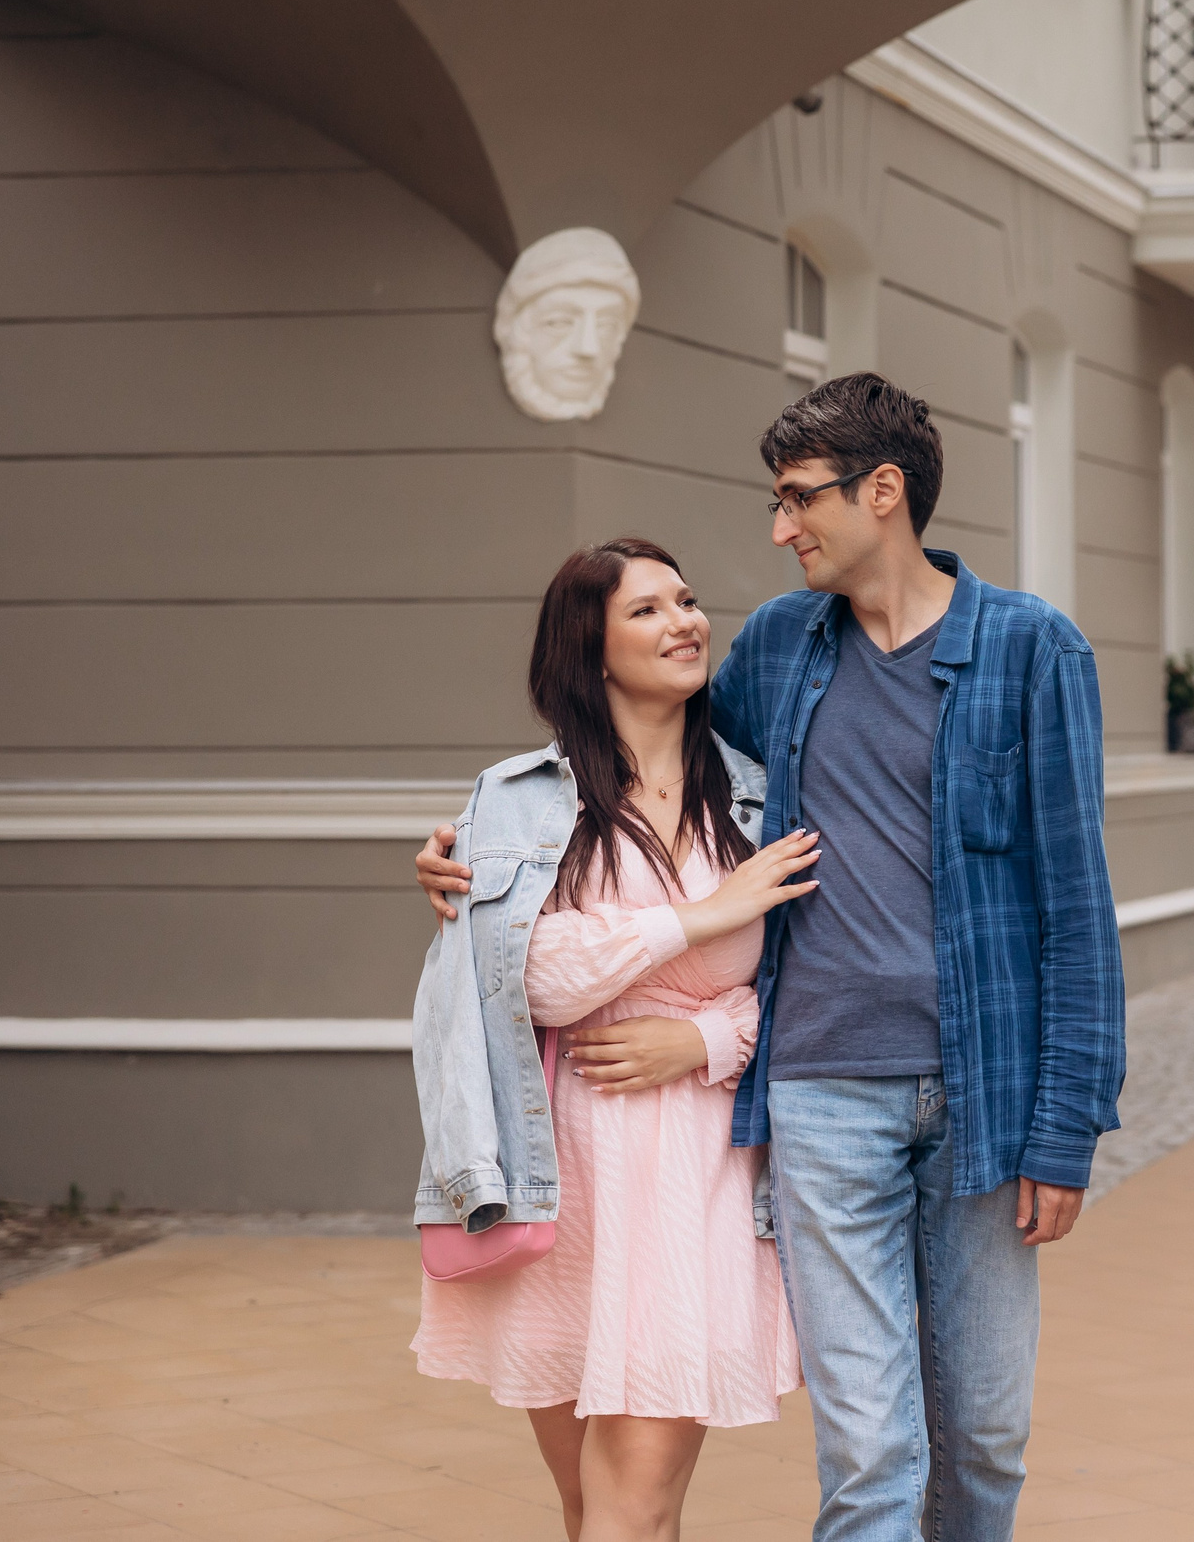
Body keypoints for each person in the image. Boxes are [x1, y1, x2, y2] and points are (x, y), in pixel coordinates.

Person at [417, 373, 1125, 1542]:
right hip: (819, 1090)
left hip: (989, 1097)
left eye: (798, 499)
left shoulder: (1032, 649)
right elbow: (632, 761)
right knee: (870, 1443)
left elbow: (1076, 909)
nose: (779, 527)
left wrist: (1068, 1127)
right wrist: (468, 853)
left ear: (881, 493)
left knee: (987, 1434)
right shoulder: (784, 650)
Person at [411, 540, 822, 1541]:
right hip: (563, 1173)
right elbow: (526, 979)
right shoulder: (515, 799)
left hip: (702, 1177)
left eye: (686, 601)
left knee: (630, 1508)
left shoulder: (767, 796)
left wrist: (711, 1042)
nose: (684, 622)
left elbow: (817, 983)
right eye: (646, 611)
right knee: (593, 1507)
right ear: (590, 651)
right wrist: (699, 918)